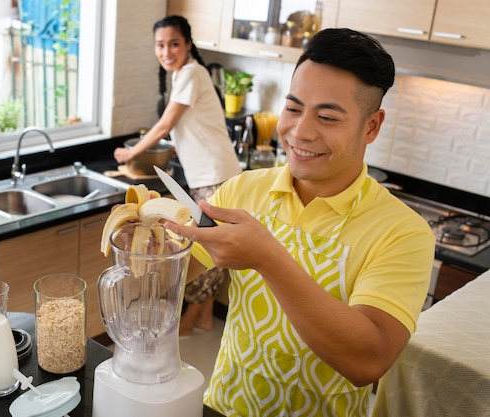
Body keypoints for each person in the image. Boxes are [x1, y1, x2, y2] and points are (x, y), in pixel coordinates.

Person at [165, 28, 436, 416]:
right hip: (224, 406)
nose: (300, 131)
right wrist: (151, 244)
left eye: (327, 117)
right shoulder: (243, 189)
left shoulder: (402, 232)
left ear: (372, 126)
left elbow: (367, 361)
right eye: (292, 109)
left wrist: (268, 259)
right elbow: (167, 278)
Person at [114, 15, 241, 336]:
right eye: (160, 45)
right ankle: (200, 318)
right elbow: (189, 126)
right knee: (209, 245)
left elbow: (165, 125)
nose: (166, 51)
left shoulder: (192, 72)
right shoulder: (187, 75)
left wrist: (131, 153)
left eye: (173, 43)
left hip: (215, 175)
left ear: (187, 45)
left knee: (203, 246)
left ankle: (185, 325)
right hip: (214, 172)